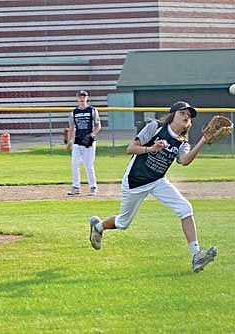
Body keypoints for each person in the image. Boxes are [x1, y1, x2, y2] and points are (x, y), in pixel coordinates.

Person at [88, 101, 217, 273]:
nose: (187, 116)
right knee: (123, 223)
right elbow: (131, 149)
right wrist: (152, 148)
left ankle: (196, 256)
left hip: (157, 181)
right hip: (135, 181)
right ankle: (98, 227)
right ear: (173, 115)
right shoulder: (155, 127)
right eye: (183, 113)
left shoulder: (182, 142)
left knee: (185, 208)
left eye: (189, 115)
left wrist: (203, 141)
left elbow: (184, 161)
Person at [66, 90, 101, 196]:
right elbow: (71, 128)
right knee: (74, 164)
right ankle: (76, 187)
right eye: (80, 96)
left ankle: (93, 187)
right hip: (77, 141)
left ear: (87, 98)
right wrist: (69, 141)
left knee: (88, 165)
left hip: (89, 141)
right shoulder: (74, 112)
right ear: (77, 98)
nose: (82, 98)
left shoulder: (92, 110)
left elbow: (98, 125)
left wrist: (91, 135)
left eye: (84, 96)